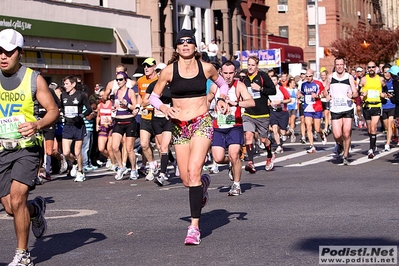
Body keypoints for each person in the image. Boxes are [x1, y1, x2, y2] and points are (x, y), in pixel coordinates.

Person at [149, 29, 229, 245]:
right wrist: (165, 108)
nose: (185, 45)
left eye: (189, 42)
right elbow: (153, 97)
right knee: (187, 180)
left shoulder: (206, 67)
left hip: (201, 123)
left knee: (193, 172)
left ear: (195, 47)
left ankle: (194, 227)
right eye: (181, 42)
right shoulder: (168, 71)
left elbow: (224, 84)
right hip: (178, 127)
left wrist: (222, 99)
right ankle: (203, 184)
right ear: (176, 48)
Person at [0, 28, 59, 266]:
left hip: (27, 147)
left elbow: (53, 111)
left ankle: (23, 255)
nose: (3, 56)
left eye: (8, 52)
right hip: (3, 148)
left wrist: (37, 124)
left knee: (17, 198)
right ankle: (36, 209)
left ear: (20, 53)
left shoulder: (34, 78)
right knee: (11, 208)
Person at [207, 60, 255, 196]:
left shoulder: (239, 86)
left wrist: (237, 103)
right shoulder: (214, 87)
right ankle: (232, 164)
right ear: (220, 73)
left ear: (235, 73)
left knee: (234, 154)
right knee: (218, 158)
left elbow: (251, 102)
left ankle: (236, 185)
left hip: (235, 126)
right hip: (218, 127)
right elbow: (207, 100)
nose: (228, 76)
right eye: (225, 73)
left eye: (231, 73)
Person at [241, 56, 276, 173]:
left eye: (252, 65)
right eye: (248, 65)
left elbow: (273, 90)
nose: (250, 67)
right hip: (249, 114)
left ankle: (270, 155)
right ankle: (250, 162)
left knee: (263, 139)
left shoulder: (263, 76)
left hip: (262, 114)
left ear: (257, 66)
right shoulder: (244, 79)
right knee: (248, 136)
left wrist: (260, 88)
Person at [324, 57, 358, 165]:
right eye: (337, 64)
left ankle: (346, 156)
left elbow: (356, 93)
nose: (339, 66)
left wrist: (352, 95)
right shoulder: (331, 77)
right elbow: (325, 89)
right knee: (337, 135)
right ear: (335, 66)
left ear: (344, 65)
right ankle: (340, 145)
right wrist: (327, 95)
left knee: (346, 133)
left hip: (347, 108)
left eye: (341, 64)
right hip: (335, 109)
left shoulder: (349, 77)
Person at [60, 75, 92, 182]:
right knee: (66, 152)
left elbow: (89, 109)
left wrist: (81, 116)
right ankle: (74, 162)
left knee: (78, 151)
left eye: (67, 84)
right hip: (68, 125)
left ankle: (80, 171)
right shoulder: (63, 95)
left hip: (78, 125)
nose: (65, 86)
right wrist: (62, 114)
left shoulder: (81, 95)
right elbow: (61, 107)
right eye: (64, 84)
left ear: (73, 84)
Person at [112, 71, 140, 180]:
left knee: (129, 149)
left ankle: (133, 169)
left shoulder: (130, 92)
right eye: (117, 80)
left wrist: (126, 104)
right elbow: (115, 105)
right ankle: (121, 167)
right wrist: (114, 108)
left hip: (129, 121)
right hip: (118, 121)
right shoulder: (115, 92)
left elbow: (134, 107)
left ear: (125, 80)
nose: (118, 82)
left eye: (120, 79)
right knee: (114, 147)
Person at [137, 58, 159, 181]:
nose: (146, 68)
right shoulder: (140, 81)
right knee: (144, 144)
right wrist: (138, 106)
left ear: (154, 67)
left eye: (149, 66)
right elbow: (141, 97)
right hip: (145, 115)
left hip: (157, 116)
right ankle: (152, 165)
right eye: (145, 66)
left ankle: (164, 170)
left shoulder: (159, 80)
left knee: (160, 146)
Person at [359, 61, 385, 159]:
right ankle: (373, 144)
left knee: (374, 127)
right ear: (367, 68)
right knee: (370, 129)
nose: (371, 69)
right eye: (369, 67)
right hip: (367, 106)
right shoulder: (364, 79)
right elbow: (359, 91)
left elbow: (386, 91)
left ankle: (371, 149)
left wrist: (384, 95)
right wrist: (362, 94)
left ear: (376, 68)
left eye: (373, 67)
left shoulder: (380, 79)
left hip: (377, 105)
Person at [298, 69, 327, 153]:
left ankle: (322, 134)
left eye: (310, 76)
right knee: (308, 126)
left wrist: (318, 96)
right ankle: (312, 146)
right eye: (306, 76)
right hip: (307, 108)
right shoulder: (303, 84)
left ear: (313, 75)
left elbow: (324, 93)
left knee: (317, 129)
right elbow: (301, 93)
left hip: (317, 108)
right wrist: (300, 95)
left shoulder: (318, 83)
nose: (308, 78)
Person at [269, 75, 291, 153]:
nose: (273, 81)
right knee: (274, 129)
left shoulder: (282, 89)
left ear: (278, 81)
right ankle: (279, 146)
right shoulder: (268, 90)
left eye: (274, 80)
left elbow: (289, 99)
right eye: (271, 80)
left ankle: (290, 132)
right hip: (273, 111)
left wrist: (281, 101)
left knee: (283, 132)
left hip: (282, 111)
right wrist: (269, 103)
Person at [96, 87, 116, 171]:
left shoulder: (112, 104)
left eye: (103, 95)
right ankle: (110, 158)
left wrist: (111, 120)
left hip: (111, 127)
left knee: (109, 148)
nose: (101, 97)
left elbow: (115, 115)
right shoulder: (99, 105)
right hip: (103, 127)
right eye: (100, 96)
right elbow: (98, 116)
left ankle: (114, 163)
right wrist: (97, 124)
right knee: (101, 148)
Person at [381, 64, 395, 151]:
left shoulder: (394, 82)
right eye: (385, 72)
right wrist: (382, 95)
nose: (387, 74)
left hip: (393, 106)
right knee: (386, 127)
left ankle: (387, 144)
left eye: (388, 72)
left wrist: (392, 96)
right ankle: (393, 135)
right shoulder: (381, 83)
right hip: (384, 106)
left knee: (390, 125)